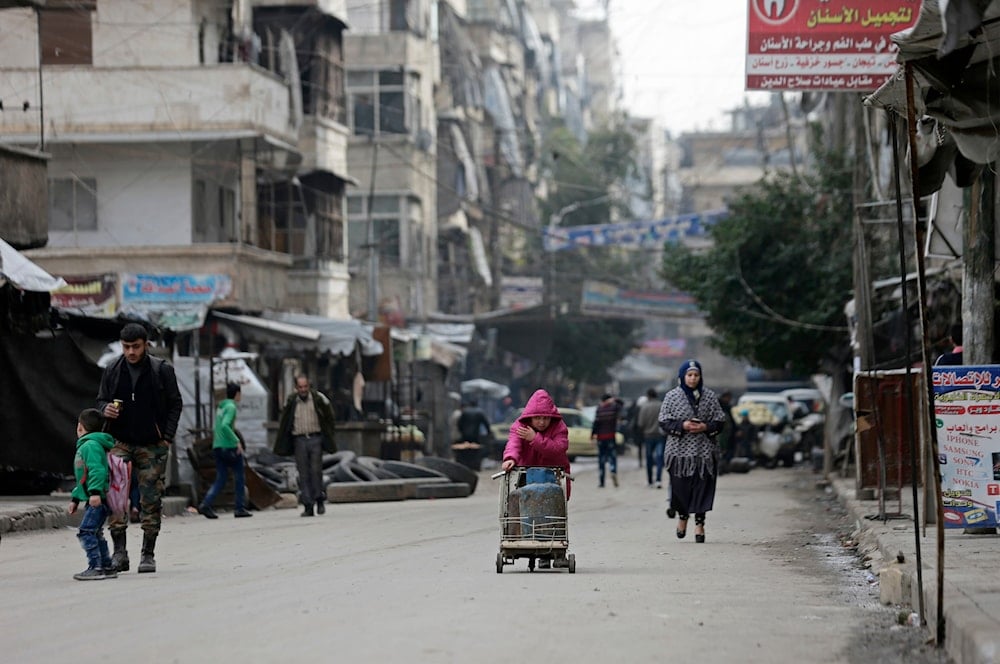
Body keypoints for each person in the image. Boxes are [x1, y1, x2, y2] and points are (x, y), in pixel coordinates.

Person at [97, 323, 183, 574]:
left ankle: (148, 553)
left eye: (135, 346)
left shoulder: (161, 370)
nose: (131, 352)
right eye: (126, 347)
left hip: (152, 445)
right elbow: (101, 399)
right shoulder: (113, 368)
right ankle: (119, 553)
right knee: (115, 497)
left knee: (151, 498)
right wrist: (106, 410)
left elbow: (175, 404)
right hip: (120, 442)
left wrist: (166, 437)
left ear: (146, 344)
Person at [658, 360, 726, 543]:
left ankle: (700, 524)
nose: (693, 378)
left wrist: (705, 426)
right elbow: (663, 421)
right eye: (689, 375)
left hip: (704, 453)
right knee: (681, 488)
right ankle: (683, 517)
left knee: (703, 487)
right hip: (679, 453)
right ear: (682, 377)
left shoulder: (710, 396)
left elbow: (720, 421)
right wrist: (683, 425)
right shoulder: (672, 396)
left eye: (696, 375)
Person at [274, 375, 337, 517]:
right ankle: (308, 504)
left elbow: (330, 417)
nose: (303, 390)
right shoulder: (291, 401)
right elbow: (284, 421)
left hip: (315, 438)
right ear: (296, 388)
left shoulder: (318, 399)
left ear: (309, 386)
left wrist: (328, 435)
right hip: (299, 440)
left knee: (316, 471)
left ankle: (319, 498)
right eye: (300, 387)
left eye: (305, 387)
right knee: (303, 474)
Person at [68, 408, 118, 581]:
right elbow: (83, 478)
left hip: (99, 498)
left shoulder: (90, 446)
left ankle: (95, 566)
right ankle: (106, 565)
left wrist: (96, 493)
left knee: (86, 532)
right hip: (94, 497)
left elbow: (97, 471)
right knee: (96, 532)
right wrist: (75, 498)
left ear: (80, 427)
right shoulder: (89, 445)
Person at [197, 382, 252, 519]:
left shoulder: (220, 407)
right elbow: (225, 425)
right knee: (239, 477)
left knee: (221, 478)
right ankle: (239, 508)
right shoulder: (231, 407)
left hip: (217, 446)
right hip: (229, 447)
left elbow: (217, 427)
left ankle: (205, 504)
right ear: (237, 394)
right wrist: (236, 441)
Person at [591, 392, 623, 488]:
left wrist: (592, 435)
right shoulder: (614, 408)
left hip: (601, 438)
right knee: (612, 457)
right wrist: (614, 400)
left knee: (601, 459)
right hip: (610, 436)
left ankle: (601, 482)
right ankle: (613, 470)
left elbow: (595, 423)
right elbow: (621, 404)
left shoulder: (599, 409)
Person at [636, 388, 665, 488]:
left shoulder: (644, 407)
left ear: (648, 396)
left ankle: (649, 481)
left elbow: (640, 423)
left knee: (649, 458)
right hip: (660, 435)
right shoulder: (662, 405)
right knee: (659, 457)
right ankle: (658, 480)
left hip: (648, 435)